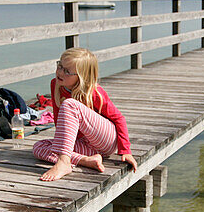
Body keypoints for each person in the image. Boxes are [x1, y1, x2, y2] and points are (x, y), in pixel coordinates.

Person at [32, 47, 137, 182]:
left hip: (106, 140)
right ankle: (85, 160)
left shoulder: (93, 92)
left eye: (67, 71)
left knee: (70, 104)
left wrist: (125, 150)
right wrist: (63, 144)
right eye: (60, 66)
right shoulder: (56, 84)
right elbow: (59, 120)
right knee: (39, 147)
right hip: (85, 145)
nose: (60, 72)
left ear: (81, 76)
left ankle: (64, 162)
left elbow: (119, 119)